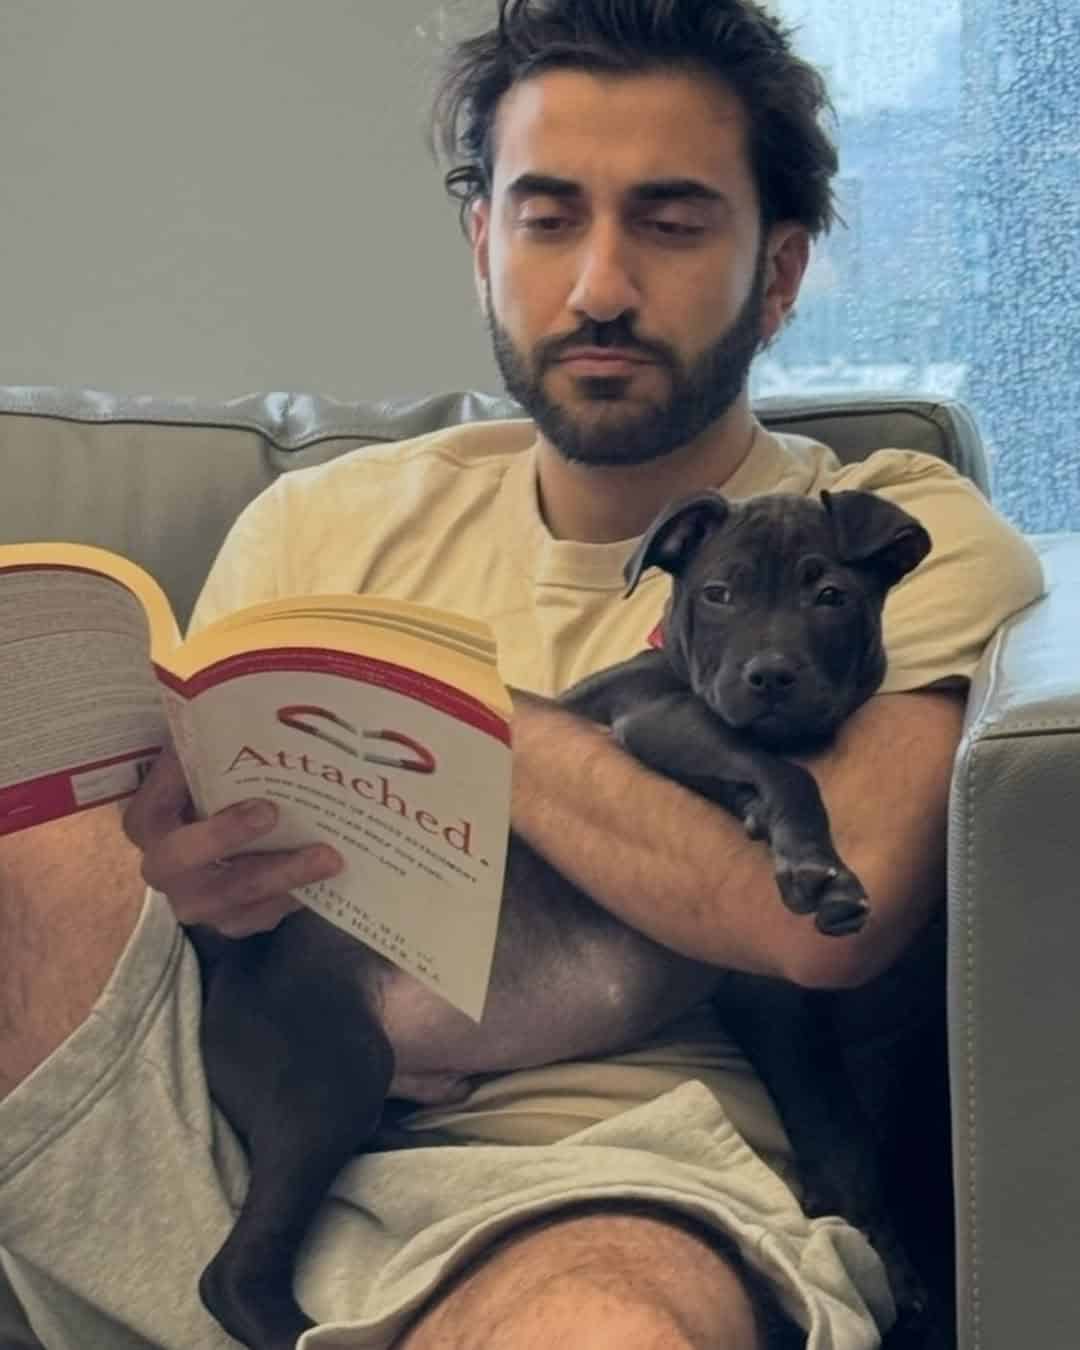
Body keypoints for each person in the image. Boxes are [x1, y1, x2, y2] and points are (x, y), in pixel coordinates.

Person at [0, 2, 1043, 1347]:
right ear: (483, 240)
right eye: (549, 218)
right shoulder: (316, 523)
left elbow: (815, 921)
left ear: (778, 274)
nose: (599, 285)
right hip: (262, 1109)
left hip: (606, 1171)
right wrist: (183, 869)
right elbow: (195, 899)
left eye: (669, 224)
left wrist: (489, 725)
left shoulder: (894, 531)